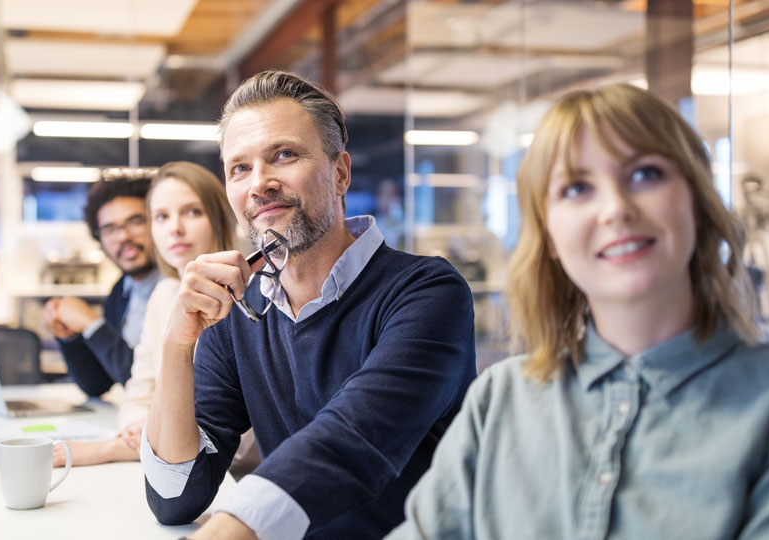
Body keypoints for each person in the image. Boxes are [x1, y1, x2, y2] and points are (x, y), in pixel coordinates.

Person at [386, 84, 769, 539]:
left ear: (697, 201)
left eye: (645, 174)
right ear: (547, 235)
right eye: (578, 187)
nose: (616, 210)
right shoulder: (500, 400)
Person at [140, 70, 477, 540]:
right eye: (240, 168)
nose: (260, 183)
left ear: (340, 173)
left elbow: (356, 440)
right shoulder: (239, 308)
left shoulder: (425, 292)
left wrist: (229, 530)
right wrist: (177, 346)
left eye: (284, 155)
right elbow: (176, 497)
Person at [54, 161, 237, 466]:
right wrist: (133, 429)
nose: (175, 228)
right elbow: (139, 392)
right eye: (162, 217)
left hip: (222, 476)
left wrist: (110, 449)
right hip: (163, 461)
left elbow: (217, 429)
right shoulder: (164, 294)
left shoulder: (240, 297)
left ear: (218, 217)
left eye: (192, 212)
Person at [43, 172, 160, 397]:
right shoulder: (121, 291)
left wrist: (91, 324)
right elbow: (98, 383)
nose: (123, 236)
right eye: (109, 229)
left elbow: (150, 383)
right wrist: (69, 337)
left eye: (135, 221)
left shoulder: (177, 286)